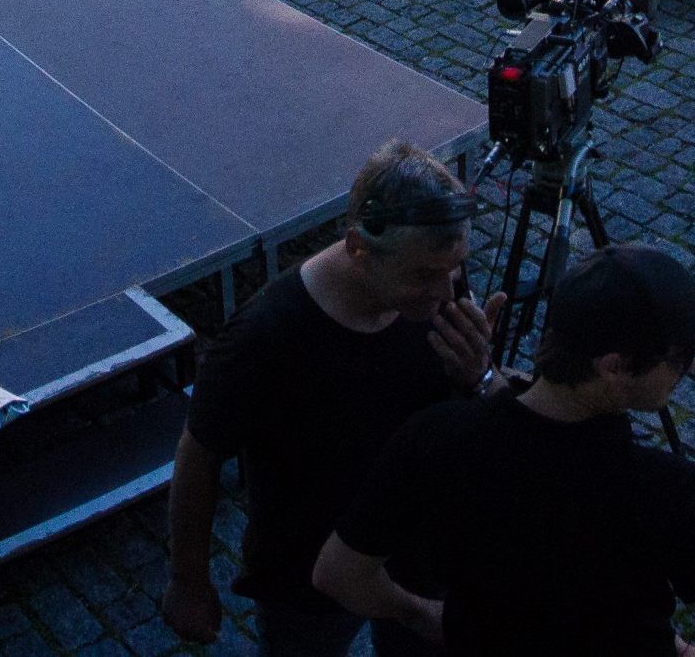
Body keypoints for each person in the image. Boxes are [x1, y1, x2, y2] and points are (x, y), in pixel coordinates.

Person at [315, 244, 695, 657]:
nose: (688, 367)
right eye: (681, 356)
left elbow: (337, 575)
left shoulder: (437, 436)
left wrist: (424, 616)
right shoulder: (671, 495)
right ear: (614, 367)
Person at [163, 142, 490, 652]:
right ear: (359, 247)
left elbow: (457, 414)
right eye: (425, 275)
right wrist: (189, 582)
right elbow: (199, 455)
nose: (449, 293)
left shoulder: (435, 292)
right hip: (305, 579)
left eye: (455, 268)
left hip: (417, 556)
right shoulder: (264, 336)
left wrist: (477, 381)